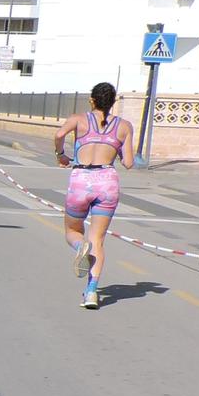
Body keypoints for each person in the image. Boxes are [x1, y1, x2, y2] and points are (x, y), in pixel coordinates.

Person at [54, 82, 134, 310]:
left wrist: (61, 155)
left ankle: (80, 247)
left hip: (81, 179)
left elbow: (59, 135)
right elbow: (128, 163)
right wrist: (116, 148)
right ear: (113, 102)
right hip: (107, 182)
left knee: (72, 231)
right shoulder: (124, 126)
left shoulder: (78, 119)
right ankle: (91, 292)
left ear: (92, 100)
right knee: (97, 240)